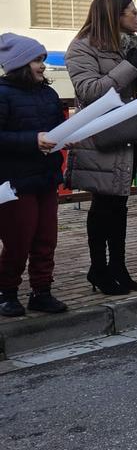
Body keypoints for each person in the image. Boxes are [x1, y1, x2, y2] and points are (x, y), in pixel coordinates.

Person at [66, 0, 137, 296]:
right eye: (132, 12)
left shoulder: (128, 46)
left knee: (119, 205)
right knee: (103, 206)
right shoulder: (81, 47)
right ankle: (98, 268)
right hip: (100, 138)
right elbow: (90, 91)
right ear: (114, 15)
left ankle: (119, 267)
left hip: (127, 136)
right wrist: (131, 66)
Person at [0, 35, 69, 316]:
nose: (43, 66)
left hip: (45, 177)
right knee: (18, 239)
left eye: (42, 59)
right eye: (37, 60)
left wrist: (68, 137)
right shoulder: (3, 94)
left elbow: (56, 128)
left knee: (46, 239)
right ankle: (7, 292)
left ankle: (42, 291)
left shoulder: (48, 93)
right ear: (20, 64)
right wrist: (33, 140)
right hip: (16, 182)